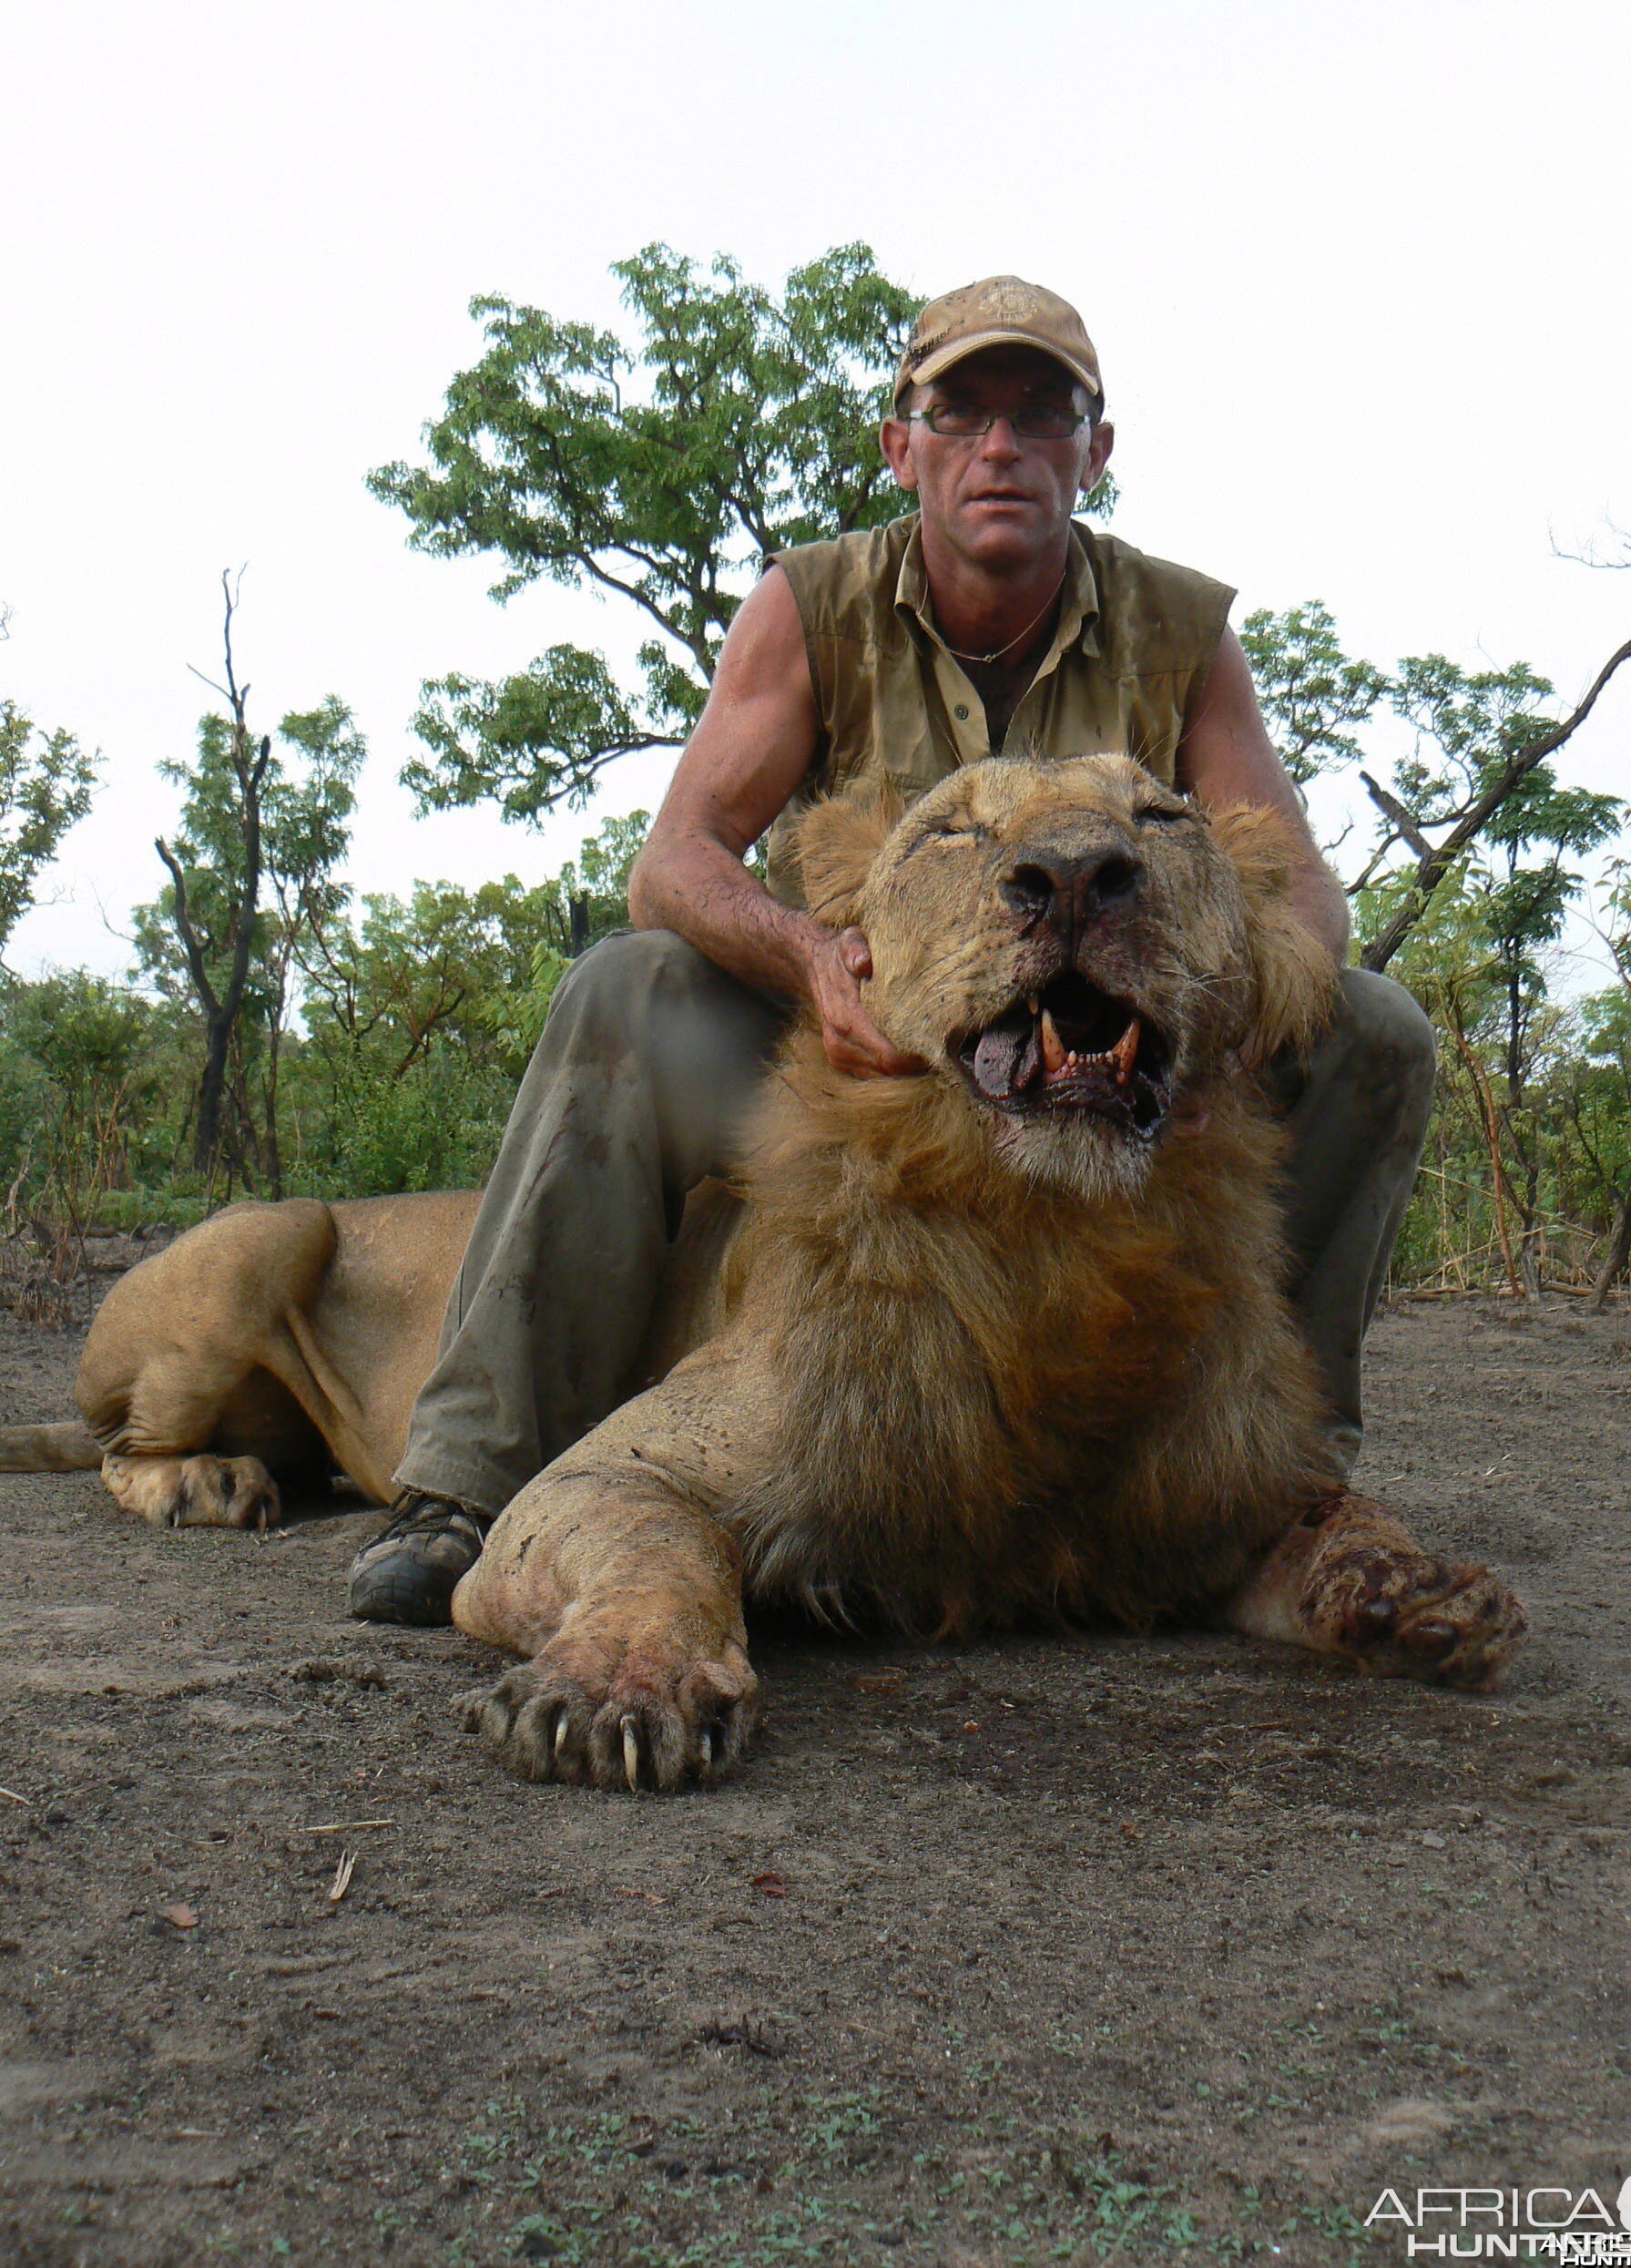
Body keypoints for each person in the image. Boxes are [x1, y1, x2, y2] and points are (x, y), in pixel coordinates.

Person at [348, 274, 1436, 1627]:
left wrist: (1227, 1007)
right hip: (867, 1038)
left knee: (1379, 1030)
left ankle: (1276, 1466)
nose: (1002, 450)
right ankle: (470, 1478)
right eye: (961, 413)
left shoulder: (1180, 630)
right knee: (626, 986)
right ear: (899, 442)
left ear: (1096, 451)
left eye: (1044, 418)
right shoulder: (815, 605)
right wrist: (808, 956)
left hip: (1107, 1037)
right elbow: (675, 859)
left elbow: (1299, 889)